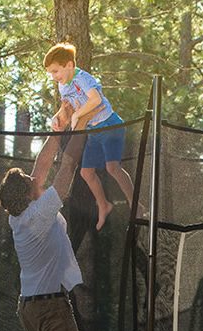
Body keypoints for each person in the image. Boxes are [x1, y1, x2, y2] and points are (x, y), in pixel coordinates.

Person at [0, 131, 89, 331]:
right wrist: (83, 126)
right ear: (28, 194)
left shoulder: (18, 217)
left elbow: (42, 168)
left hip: (28, 308)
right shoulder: (40, 214)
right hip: (50, 308)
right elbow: (67, 168)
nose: (36, 181)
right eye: (30, 182)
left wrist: (58, 131)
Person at [44, 42, 135, 231]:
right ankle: (104, 205)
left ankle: (136, 205)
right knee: (86, 172)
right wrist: (58, 117)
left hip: (110, 125)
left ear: (69, 65)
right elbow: (66, 107)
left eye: (56, 71)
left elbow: (96, 100)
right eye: (51, 73)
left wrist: (78, 115)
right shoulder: (63, 85)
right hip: (95, 130)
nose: (54, 77)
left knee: (112, 168)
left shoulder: (83, 78)